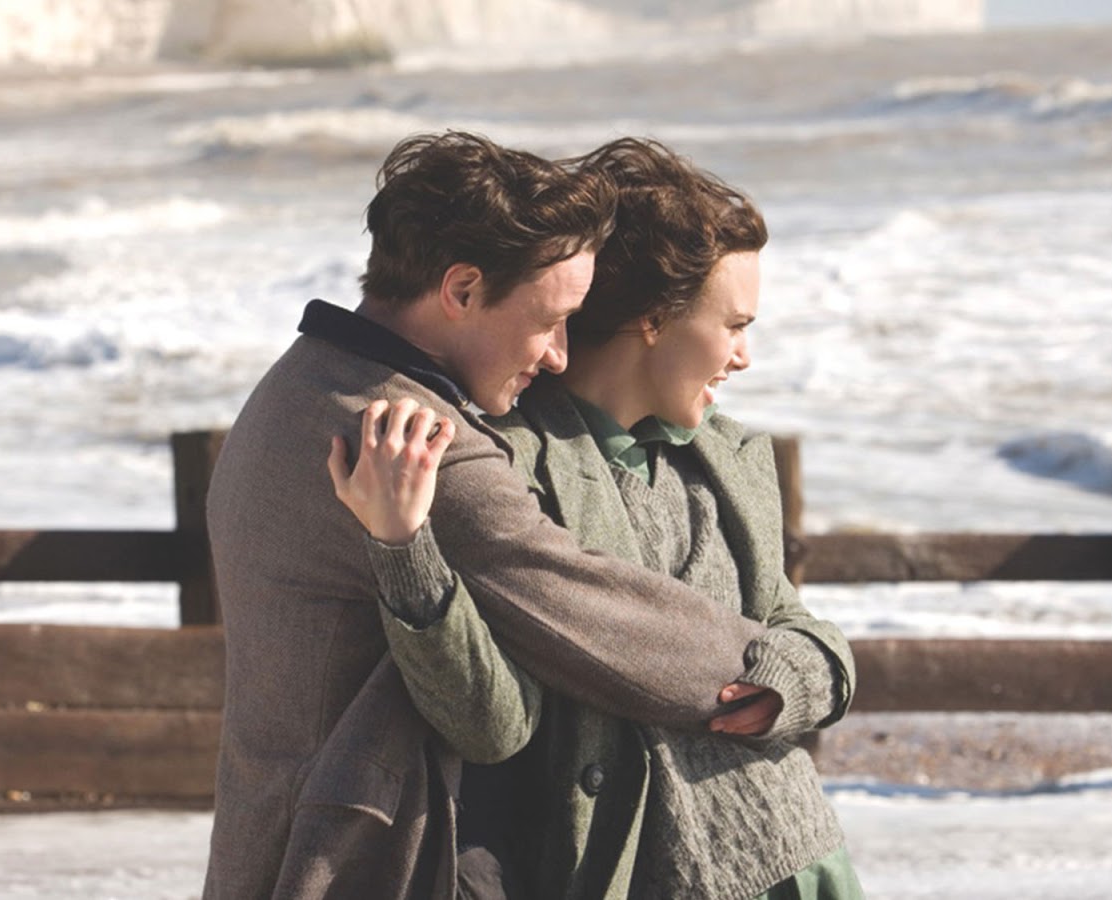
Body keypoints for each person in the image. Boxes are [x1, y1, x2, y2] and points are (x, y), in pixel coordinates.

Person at [202, 132, 811, 899]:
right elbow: (591, 614)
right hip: (374, 858)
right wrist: (794, 671)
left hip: (280, 834)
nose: (559, 354)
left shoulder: (299, 381)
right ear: (461, 290)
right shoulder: (414, 439)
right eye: (549, 319)